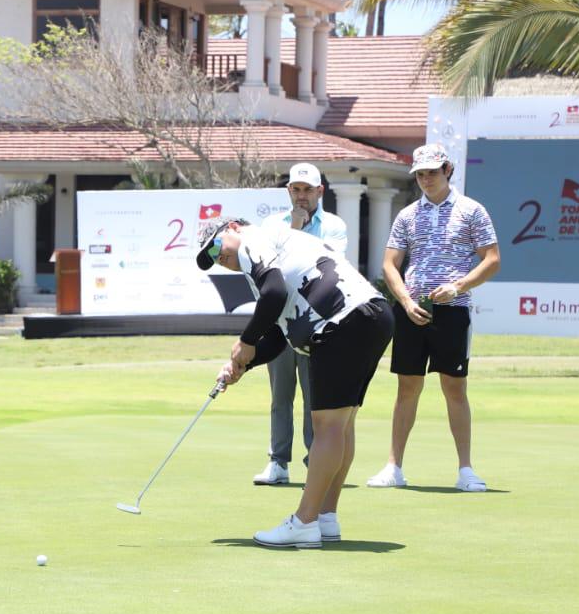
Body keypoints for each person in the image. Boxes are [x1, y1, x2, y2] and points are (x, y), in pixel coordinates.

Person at [195, 216, 394, 549]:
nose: (220, 259)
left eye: (216, 246)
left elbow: (273, 295)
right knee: (341, 426)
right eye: (212, 258)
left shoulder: (251, 240)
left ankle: (304, 522)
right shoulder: (276, 249)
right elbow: (278, 334)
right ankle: (325, 517)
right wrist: (244, 364)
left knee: (327, 426)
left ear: (232, 228)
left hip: (343, 321)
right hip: (372, 317)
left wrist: (245, 340)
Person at [366, 143, 501, 493]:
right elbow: (389, 265)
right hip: (412, 310)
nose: (426, 179)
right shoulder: (407, 215)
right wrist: (406, 301)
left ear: (448, 170)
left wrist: (457, 287)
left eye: (432, 172)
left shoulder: (472, 211)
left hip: (453, 311)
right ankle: (394, 467)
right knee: (406, 387)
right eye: (420, 173)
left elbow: (491, 260)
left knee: (454, 387)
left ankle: (466, 469)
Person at [252, 163, 349, 486]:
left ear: (320, 191)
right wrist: (294, 227)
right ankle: (278, 462)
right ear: (288, 191)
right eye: (296, 189)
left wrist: (295, 234)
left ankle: (314, 461)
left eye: (308, 189)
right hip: (279, 321)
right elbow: (271, 271)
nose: (301, 195)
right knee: (281, 396)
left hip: (317, 323)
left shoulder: (333, 226)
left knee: (314, 398)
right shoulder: (271, 224)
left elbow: (329, 269)